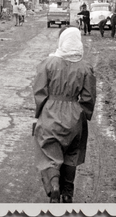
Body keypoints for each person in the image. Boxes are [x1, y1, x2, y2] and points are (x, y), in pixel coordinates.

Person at [33, 27, 96, 203]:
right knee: (72, 154)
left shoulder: (48, 63)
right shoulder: (85, 68)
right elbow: (89, 97)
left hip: (50, 113)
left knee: (49, 152)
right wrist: (83, 114)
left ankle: (53, 185)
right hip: (74, 114)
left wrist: (40, 112)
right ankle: (67, 192)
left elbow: (39, 91)